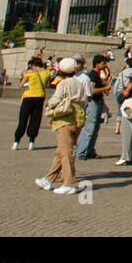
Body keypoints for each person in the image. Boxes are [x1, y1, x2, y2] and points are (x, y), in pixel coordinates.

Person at [35, 58, 89, 196]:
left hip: (65, 117)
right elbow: (85, 100)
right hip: (78, 117)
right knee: (61, 150)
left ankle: (69, 183)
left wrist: (49, 104)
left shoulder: (63, 83)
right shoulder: (79, 83)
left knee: (66, 152)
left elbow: (56, 99)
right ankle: (48, 179)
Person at [74, 55, 109, 161]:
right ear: (97, 63)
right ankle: (81, 151)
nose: (105, 65)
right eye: (103, 63)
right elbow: (92, 90)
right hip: (93, 102)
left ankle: (90, 150)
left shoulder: (97, 75)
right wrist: (105, 87)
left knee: (95, 128)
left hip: (98, 102)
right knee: (89, 127)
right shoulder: (93, 75)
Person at [13, 57, 51, 151]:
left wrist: (25, 78)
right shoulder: (47, 73)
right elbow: (48, 85)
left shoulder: (30, 72)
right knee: (35, 120)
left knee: (23, 119)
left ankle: (16, 142)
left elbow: (20, 86)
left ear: (33, 65)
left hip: (28, 98)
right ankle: (31, 142)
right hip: (40, 98)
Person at [112, 57, 132, 136]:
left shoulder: (122, 72)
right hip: (131, 93)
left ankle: (117, 128)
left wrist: (115, 92)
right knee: (129, 111)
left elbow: (117, 83)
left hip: (120, 92)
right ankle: (127, 128)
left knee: (119, 110)